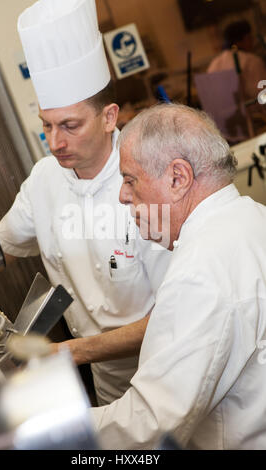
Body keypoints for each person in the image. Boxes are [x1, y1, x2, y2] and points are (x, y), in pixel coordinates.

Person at [0, 0, 171, 407]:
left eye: (70, 126)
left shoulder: (151, 177)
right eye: (47, 125)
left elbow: (175, 312)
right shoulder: (44, 179)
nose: (55, 142)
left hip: (168, 364)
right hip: (106, 378)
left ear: (109, 117)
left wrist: (71, 352)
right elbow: (2, 246)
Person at [91, 103, 266, 450]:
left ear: (177, 178)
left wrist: (40, 429)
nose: (123, 196)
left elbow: (150, 425)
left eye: (130, 180)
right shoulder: (253, 215)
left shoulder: (200, 270)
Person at [207, 20, 266, 101]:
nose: (253, 41)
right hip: (254, 112)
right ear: (240, 41)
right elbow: (262, 95)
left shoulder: (213, 65)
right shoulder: (251, 61)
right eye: (249, 37)